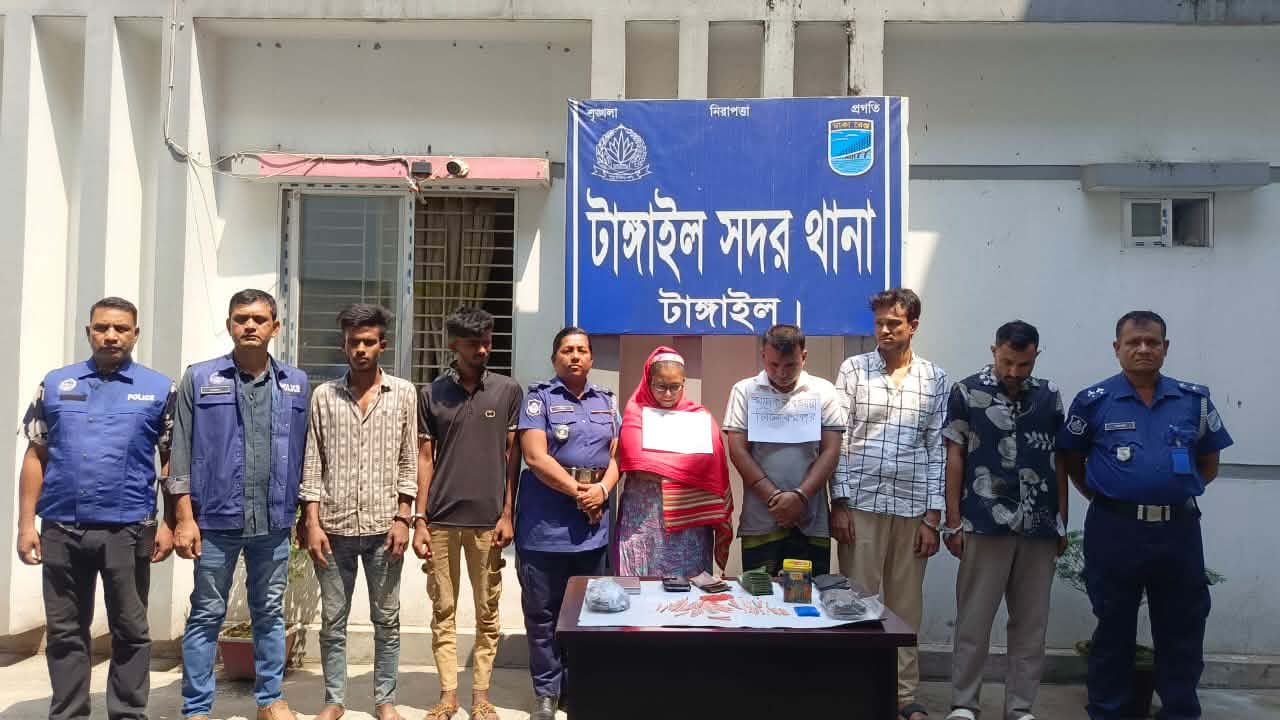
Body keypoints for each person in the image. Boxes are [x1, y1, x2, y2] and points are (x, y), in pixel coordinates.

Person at [1057, 310, 1232, 720]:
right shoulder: (1093, 401)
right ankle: (1108, 711)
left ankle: (1180, 711)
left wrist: (1169, 494)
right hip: (1114, 530)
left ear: (1165, 348)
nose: (1143, 349)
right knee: (1113, 626)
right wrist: (1113, 497)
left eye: (1152, 342)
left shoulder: (1194, 400)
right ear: (1116, 348)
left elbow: (1209, 463)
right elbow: (1071, 460)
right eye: (1133, 342)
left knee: (1182, 627)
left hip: (1178, 531)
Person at [16, 297, 175, 720]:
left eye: (121, 328)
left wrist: (171, 521)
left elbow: (172, 462)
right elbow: (36, 455)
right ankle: (68, 712)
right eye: (102, 327)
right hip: (61, 528)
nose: (111, 336)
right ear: (88, 332)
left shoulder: (159, 389)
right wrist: (26, 525)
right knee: (65, 630)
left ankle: (127, 713)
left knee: (131, 630)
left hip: (128, 529)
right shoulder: (56, 384)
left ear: (135, 334)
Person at [168, 289, 309, 720]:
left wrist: (304, 515)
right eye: (241, 318)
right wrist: (184, 518)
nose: (250, 325)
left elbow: (306, 453)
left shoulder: (295, 383)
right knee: (206, 613)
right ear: (229, 324)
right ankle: (196, 708)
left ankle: (271, 700)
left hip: (273, 520)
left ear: (275, 327)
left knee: (269, 612)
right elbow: (180, 451)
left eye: (259, 319)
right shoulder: (200, 378)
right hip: (215, 520)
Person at [830, 288, 949, 720]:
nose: (884, 330)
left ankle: (903, 695)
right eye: (879, 322)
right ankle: (855, 688)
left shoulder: (935, 378)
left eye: (893, 323)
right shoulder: (854, 370)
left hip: (912, 507)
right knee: (855, 602)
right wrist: (839, 502)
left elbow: (937, 448)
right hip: (860, 503)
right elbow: (838, 439)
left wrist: (933, 518)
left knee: (904, 606)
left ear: (913, 326)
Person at [941, 321, 1068, 720]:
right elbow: (954, 457)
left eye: (1024, 364)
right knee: (973, 621)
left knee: (1031, 625)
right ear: (994, 350)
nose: (1014, 371)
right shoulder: (966, 392)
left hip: (1039, 523)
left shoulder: (1049, 395)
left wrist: (1062, 521)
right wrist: (953, 521)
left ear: (1036, 356)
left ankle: (1020, 707)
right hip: (983, 521)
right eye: (1007, 361)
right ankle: (964, 704)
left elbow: (1059, 461)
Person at [299, 304, 417, 720]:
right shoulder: (324, 396)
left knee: (387, 620)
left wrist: (404, 517)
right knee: (333, 620)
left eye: (369, 342)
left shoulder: (403, 393)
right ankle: (334, 700)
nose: (361, 349)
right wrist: (312, 522)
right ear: (344, 345)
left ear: (383, 344)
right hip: (334, 529)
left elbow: (409, 460)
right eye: (354, 342)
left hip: (385, 528)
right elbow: (312, 462)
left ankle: (385, 700)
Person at [413, 306, 522, 720]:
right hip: (441, 519)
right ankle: (447, 696)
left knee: (487, 612)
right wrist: (419, 520)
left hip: (488, 521)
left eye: (487, 342)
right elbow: (425, 459)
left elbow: (512, 459)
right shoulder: (432, 394)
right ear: (453, 345)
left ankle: (480, 696)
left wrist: (507, 513)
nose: (482, 350)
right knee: (443, 609)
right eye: (474, 343)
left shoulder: (507, 391)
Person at [515, 327, 620, 720]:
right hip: (545, 529)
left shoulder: (607, 401)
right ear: (554, 357)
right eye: (567, 350)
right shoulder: (539, 399)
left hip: (592, 529)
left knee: (587, 614)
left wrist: (602, 491)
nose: (575, 356)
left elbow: (618, 456)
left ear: (591, 358)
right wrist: (581, 492)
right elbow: (535, 457)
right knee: (542, 615)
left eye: (582, 350)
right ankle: (546, 691)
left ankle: (576, 689)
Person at [723, 325, 845, 575]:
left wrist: (800, 497)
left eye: (790, 365)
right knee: (760, 593)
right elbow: (737, 450)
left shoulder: (823, 391)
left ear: (804, 357)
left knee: (809, 595)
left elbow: (831, 450)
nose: (781, 373)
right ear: (763, 356)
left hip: (810, 519)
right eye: (773, 364)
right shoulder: (745, 391)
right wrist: (774, 498)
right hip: (761, 519)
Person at [615, 346, 733, 577]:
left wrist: (663, 466)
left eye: (675, 387)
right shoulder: (636, 413)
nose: (668, 394)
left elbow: (713, 465)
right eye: (661, 386)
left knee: (688, 589)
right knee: (642, 586)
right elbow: (636, 462)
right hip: (643, 520)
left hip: (690, 526)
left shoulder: (700, 417)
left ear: (683, 383)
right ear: (649, 381)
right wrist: (688, 470)